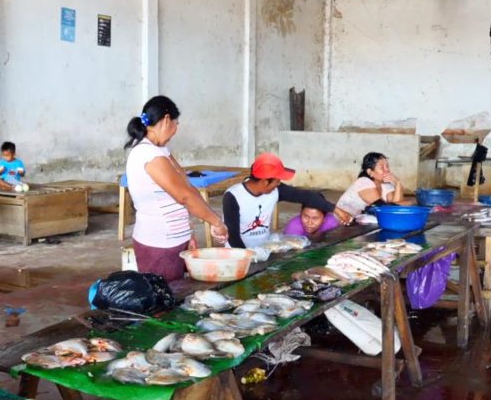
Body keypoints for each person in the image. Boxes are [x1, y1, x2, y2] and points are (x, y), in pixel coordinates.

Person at [124, 95, 229, 282]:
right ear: (166, 120)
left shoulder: (160, 151)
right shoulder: (148, 154)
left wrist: (189, 233)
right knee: (164, 295)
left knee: (177, 291)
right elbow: (185, 196)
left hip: (174, 238)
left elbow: (187, 186)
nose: (175, 130)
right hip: (160, 243)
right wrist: (217, 223)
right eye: (176, 123)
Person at [222, 153, 350, 249]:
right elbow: (233, 236)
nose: (279, 184)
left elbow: (307, 197)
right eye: (277, 181)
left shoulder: (276, 190)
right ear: (265, 182)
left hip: (264, 248)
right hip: (238, 251)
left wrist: (335, 209)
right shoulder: (233, 196)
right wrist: (247, 258)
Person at [336, 152, 414, 217]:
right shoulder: (363, 182)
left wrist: (398, 184)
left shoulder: (386, 185)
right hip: (340, 221)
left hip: (359, 222)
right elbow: (384, 209)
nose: (387, 170)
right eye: (381, 168)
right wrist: (407, 203)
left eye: (387, 166)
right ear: (370, 172)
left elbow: (395, 210)